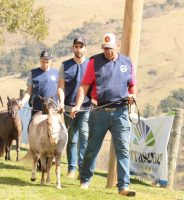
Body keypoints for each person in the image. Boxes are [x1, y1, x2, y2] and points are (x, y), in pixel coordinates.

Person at [70, 33, 137, 197]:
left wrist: (132, 97)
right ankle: (85, 180)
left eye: (111, 48)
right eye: (105, 49)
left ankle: (123, 187)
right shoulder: (94, 62)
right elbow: (84, 86)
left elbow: (132, 86)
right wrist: (78, 105)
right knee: (92, 148)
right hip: (99, 112)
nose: (108, 52)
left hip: (121, 113)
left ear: (118, 46)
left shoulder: (127, 63)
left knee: (123, 149)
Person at [57, 36, 90, 178]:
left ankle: (82, 169)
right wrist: (61, 101)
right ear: (73, 48)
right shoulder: (65, 65)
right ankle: (71, 169)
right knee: (72, 139)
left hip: (86, 108)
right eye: (76, 46)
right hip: (68, 108)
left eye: (81, 46)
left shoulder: (91, 65)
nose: (78, 49)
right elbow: (60, 87)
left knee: (84, 136)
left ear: (85, 48)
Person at [18, 50, 58, 118]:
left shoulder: (56, 73)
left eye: (47, 62)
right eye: (43, 62)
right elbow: (28, 91)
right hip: (38, 110)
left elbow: (60, 90)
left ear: (51, 61)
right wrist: (23, 101)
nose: (45, 64)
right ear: (40, 60)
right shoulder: (33, 73)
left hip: (53, 110)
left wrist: (62, 103)